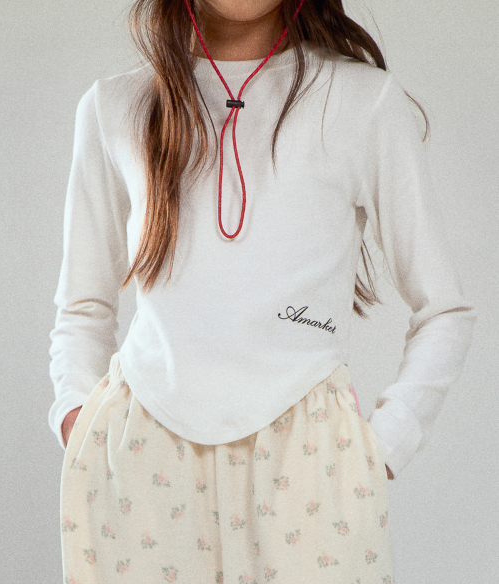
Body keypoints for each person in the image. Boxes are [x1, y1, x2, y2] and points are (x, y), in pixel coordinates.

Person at [49, 0, 477, 582]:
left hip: (311, 462)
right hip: (140, 462)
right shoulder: (116, 105)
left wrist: (383, 447)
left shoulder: (362, 102)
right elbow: (83, 305)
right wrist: (78, 420)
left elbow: (444, 307)